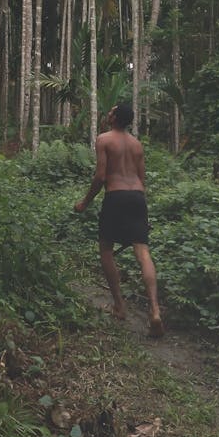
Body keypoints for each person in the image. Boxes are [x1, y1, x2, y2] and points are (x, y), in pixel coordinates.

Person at [74, 102, 164, 337]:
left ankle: (119, 306)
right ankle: (155, 310)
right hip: (137, 198)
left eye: (110, 111)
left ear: (114, 118)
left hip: (115, 196)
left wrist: (85, 202)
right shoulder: (136, 144)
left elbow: (101, 176)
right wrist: (144, 213)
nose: (108, 113)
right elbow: (142, 181)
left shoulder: (104, 139)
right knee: (143, 253)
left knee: (106, 250)